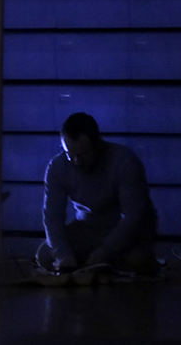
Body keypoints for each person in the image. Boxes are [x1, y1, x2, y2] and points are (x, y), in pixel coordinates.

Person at [36, 113, 158, 274]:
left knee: (135, 260)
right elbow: (52, 217)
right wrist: (63, 255)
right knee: (44, 255)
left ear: (97, 144)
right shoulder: (58, 166)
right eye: (70, 154)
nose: (77, 161)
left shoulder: (124, 161)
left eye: (83, 154)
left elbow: (133, 217)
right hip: (88, 229)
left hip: (129, 231)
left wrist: (105, 252)